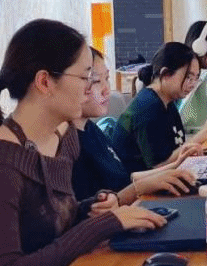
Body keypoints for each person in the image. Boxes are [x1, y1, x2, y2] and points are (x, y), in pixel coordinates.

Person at [0, 19, 165, 266]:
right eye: (86, 77)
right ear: (45, 82)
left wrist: (90, 209)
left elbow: (46, 227)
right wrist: (104, 224)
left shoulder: (64, 138)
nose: (90, 89)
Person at [72, 48, 198, 206]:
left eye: (107, 78)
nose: (106, 89)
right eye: (96, 81)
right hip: (126, 210)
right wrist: (141, 187)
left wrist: (175, 166)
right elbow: (97, 209)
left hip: (132, 205)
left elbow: (125, 178)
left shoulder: (90, 129)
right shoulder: (71, 144)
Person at [112, 42, 207, 173]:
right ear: (165, 74)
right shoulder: (148, 108)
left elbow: (176, 150)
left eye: (196, 78)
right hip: (146, 185)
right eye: (189, 77)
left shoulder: (168, 102)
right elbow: (159, 167)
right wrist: (205, 133)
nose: (193, 84)